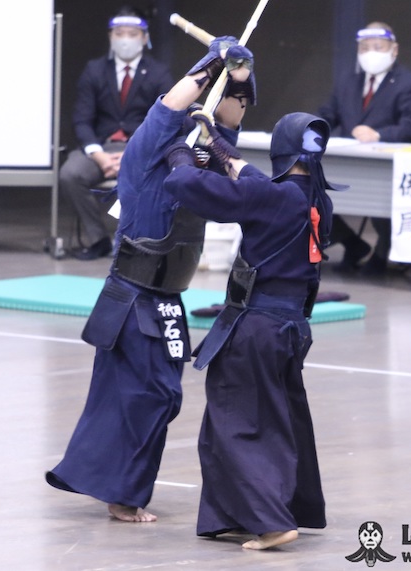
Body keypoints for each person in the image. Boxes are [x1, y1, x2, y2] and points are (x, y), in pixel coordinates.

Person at [45, 36, 256, 522]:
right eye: (191, 137)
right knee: (140, 397)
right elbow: (168, 108)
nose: (201, 145)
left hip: (168, 300)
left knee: (163, 398)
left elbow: (227, 123)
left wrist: (241, 76)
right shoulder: (144, 159)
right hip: (132, 299)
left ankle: (121, 488)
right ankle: (122, 495)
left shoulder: (195, 174)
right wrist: (210, 64)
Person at [163, 112, 337, 549]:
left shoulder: (272, 197)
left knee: (235, 423)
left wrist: (179, 153)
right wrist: (220, 145)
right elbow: (253, 179)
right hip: (291, 329)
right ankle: (246, 512)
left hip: (257, 328)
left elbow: (189, 186)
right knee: (276, 420)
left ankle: (271, 520)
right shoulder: (312, 197)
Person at [58, 7, 173, 260]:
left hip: (141, 148)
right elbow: (81, 119)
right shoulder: (94, 71)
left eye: (132, 34)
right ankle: (99, 239)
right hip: (102, 147)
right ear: (110, 37)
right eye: (119, 33)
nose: (125, 40)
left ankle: (136, 242)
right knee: (70, 173)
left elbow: (165, 121)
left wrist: (134, 154)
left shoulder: (158, 73)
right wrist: (97, 154)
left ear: (144, 38)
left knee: (155, 177)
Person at [319, 22, 411, 274]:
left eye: (378, 47)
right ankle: (351, 242)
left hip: (389, 167)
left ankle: (382, 254)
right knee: (309, 193)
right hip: (348, 163)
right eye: (365, 48)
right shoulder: (348, 81)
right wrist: (309, 127)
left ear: (394, 50)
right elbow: (328, 114)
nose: (371, 53)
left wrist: (378, 134)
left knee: (382, 201)